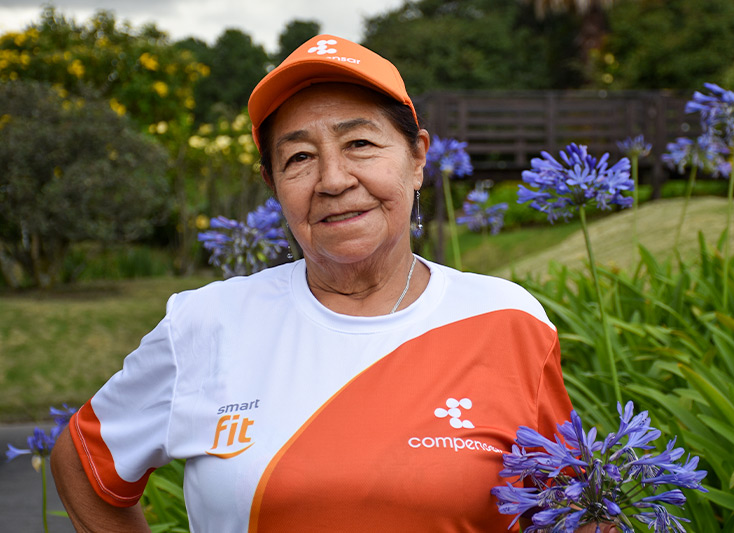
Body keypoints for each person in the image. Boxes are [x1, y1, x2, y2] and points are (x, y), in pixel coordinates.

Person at [51, 34, 613, 532]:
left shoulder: (506, 318)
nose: (334, 179)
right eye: (299, 157)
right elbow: (81, 461)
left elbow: (558, 505)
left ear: (417, 158)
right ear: (274, 184)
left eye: (360, 144)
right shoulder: (204, 323)